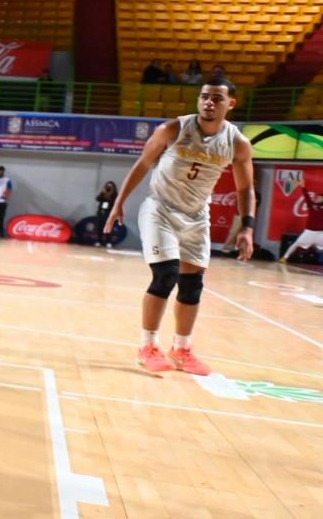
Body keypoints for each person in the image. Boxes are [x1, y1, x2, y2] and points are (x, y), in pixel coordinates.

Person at [104, 77, 254, 376]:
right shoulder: (172, 129)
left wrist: (247, 227)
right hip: (160, 208)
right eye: (204, 96)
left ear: (231, 103)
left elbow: (245, 188)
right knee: (166, 274)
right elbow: (143, 164)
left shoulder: (237, 143)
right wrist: (119, 203)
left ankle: (182, 349)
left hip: (197, 216)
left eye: (216, 98)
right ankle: (147, 346)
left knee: (192, 284)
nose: (209, 102)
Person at [279, 186, 323, 264]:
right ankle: (285, 258)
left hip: (320, 233)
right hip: (309, 232)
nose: (317, 198)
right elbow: (307, 197)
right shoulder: (312, 205)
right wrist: (303, 187)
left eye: (320, 197)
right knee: (296, 243)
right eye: (317, 197)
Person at [95, 181, 120, 248]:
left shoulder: (115, 195)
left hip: (108, 213)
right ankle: (99, 241)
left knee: (108, 228)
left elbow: (116, 202)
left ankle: (108, 242)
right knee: (99, 228)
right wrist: (104, 192)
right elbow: (97, 199)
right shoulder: (103, 193)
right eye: (107, 186)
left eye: (110, 186)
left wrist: (110, 194)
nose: (108, 188)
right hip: (101, 213)